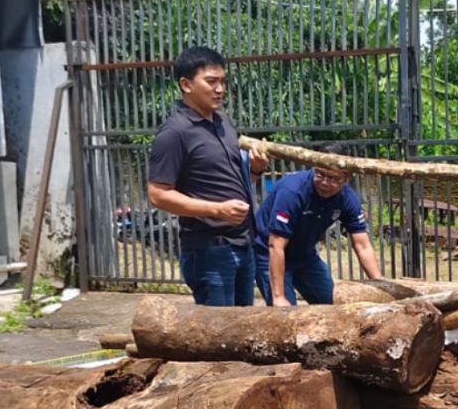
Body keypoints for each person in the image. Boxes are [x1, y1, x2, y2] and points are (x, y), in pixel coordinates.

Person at [148, 46, 267, 306]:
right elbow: (158, 195)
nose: (220, 89)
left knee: (242, 332)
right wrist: (217, 210)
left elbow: (233, 183)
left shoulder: (223, 122)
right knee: (218, 337)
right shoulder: (174, 133)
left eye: (223, 82)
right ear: (186, 84)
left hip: (242, 245)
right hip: (209, 251)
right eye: (211, 81)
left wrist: (255, 169)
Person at [252, 145, 382, 306]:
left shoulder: (347, 197)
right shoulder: (292, 191)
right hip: (269, 254)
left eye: (334, 178)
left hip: (305, 256)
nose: (325, 182)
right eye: (320, 174)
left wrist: (380, 285)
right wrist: (278, 296)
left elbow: (362, 245)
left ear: (347, 178)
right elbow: (275, 244)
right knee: (287, 315)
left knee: (334, 305)